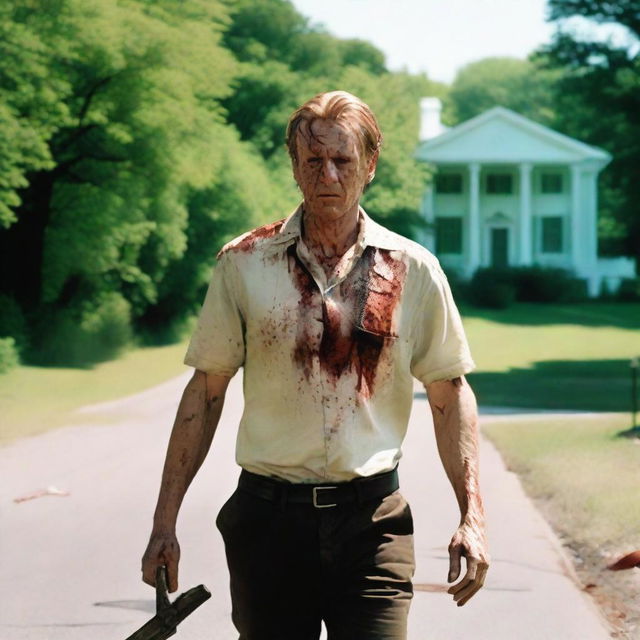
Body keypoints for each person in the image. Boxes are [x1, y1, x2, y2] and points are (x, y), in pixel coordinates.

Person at [141, 91, 489, 639]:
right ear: (295, 166)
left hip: (373, 524)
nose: (328, 174)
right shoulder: (244, 263)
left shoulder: (412, 269)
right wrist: (165, 521)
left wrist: (473, 516)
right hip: (267, 522)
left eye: (343, 160)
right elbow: (206, 392)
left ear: (369, 165)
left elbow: (450, 393)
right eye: (313, 160)